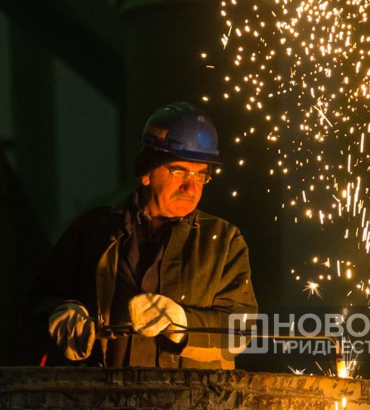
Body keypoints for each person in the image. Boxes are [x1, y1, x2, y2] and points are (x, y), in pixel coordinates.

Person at [27, 102, 257, 368]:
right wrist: (60, 313)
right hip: (100, 390)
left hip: (185, 394)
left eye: (200, 175)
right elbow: (36, 302)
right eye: (179, 171)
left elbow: (242, 329)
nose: (191, 187)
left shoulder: (223, 242)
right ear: (146, 172)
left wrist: (184, 323)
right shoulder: (92, 232)